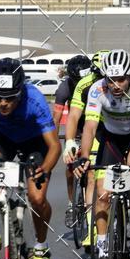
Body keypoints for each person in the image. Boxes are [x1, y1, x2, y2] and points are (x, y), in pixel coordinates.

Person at [0, 58, 61, 259]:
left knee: (37, 197)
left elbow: (54, 146)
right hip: (4, 137)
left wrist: (44, 168)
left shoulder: (35, 100)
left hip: (36, 142)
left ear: (20, 92)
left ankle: (41, 248)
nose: (3, 103)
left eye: (10, 98)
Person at [75, 49, 130, 259]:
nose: (115, 85)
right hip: (110, 137)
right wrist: (83, 157)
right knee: (102, 194)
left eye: (120, 79)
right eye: (110, 79)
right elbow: (90, 127)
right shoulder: (97, 89)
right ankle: (102, 249)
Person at [63, 50, 108, 248]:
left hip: (121, 129)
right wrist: (70, 141)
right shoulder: (84, 84)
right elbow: (73, 116)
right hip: (93, 128)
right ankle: (91, 226)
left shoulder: (127, 83)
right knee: (91, 176)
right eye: (97, 75)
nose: (102, 81)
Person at [52, 54, 92, 226]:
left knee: (92, 166)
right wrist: (53, 141)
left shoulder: (95, 85)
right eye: (76, 81)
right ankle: (72, 204)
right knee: (70, 166)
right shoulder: (64, 88)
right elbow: (56, 117)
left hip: (93, 125)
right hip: (75, 127)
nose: (80, 85)